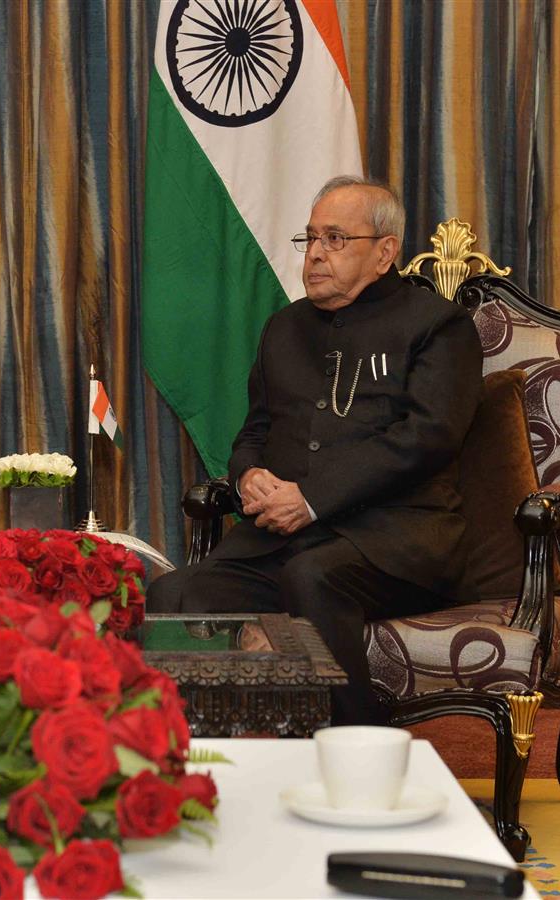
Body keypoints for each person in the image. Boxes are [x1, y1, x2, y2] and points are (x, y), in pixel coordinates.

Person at [147, 176, 483, 725]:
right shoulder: (285, 327)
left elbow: (429, 436)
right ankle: (198, 760)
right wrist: (248, 473)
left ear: (384, 252)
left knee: (312, 577)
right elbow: (253, 431)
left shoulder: (437, 325)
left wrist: (312, 498)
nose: (317, 255)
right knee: (177, 594)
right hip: (278, 540)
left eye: (335, 239)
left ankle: (355, 751)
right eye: (310, 240)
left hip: (394, 542)